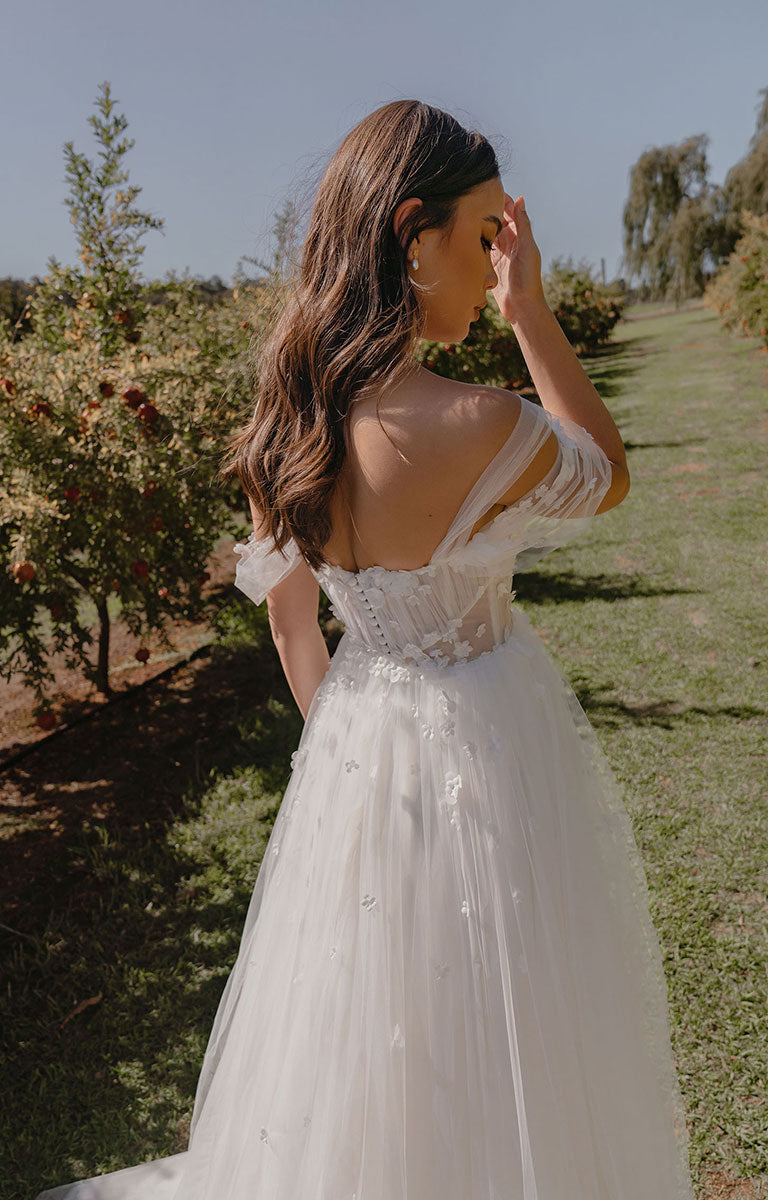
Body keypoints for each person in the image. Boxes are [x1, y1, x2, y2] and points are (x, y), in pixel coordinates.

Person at [37, 100, 696, 1200]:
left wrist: (354, 748)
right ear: (411, 232)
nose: (495, 262)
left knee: (365, 1030)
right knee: (512, 1014)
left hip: (354, 746)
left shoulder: (285, 418)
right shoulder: (482, 422)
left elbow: (293, 624)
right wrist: (529, 314)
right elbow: (606, 471)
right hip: (493, 736)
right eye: (484, 235)